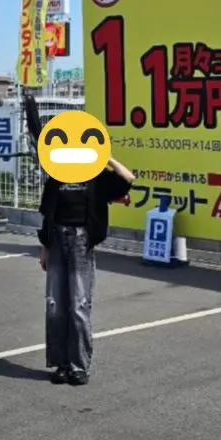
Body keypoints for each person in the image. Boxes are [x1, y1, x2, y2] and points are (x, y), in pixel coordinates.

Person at [37, 156, 135, 385]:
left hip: (81, 242)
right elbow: (47, 214)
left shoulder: (96, 175)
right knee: (55, 305)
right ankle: (60, 365)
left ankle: (79, 367)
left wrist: (106, 157)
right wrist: (44, 249)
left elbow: (128, 178)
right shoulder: (56, 174)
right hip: (57, 240)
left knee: (79, 305)